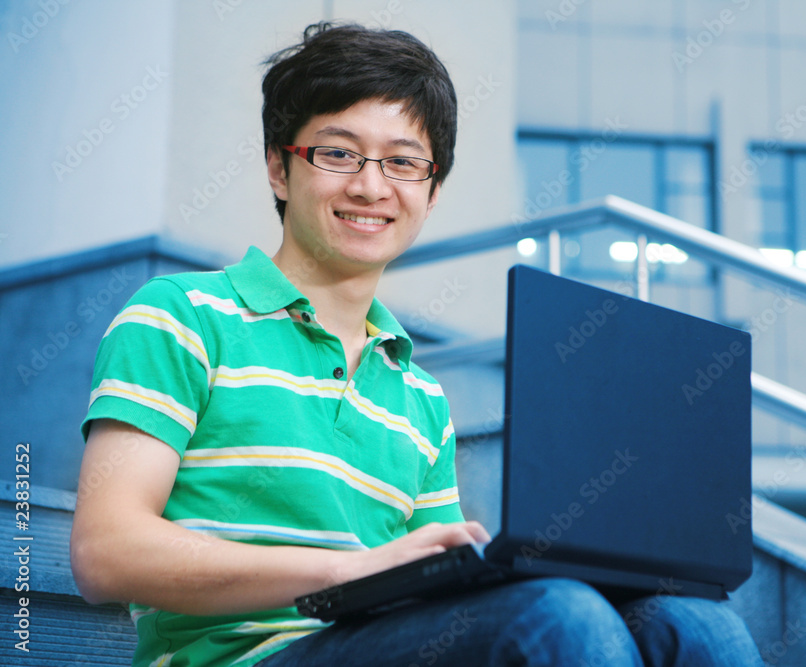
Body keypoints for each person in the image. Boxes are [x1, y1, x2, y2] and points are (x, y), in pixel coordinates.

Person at [70, 21, 763, 666]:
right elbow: (105, 551)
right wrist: (343, 568)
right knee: (557, 617)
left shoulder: (420, 396)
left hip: (378, 640)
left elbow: (425, 582)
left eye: (404, 163)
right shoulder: (181, 315)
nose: (371, 185)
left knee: (693, 623)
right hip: (241, 656)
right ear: (281, 170)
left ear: (430, 194)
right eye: (338, 153)